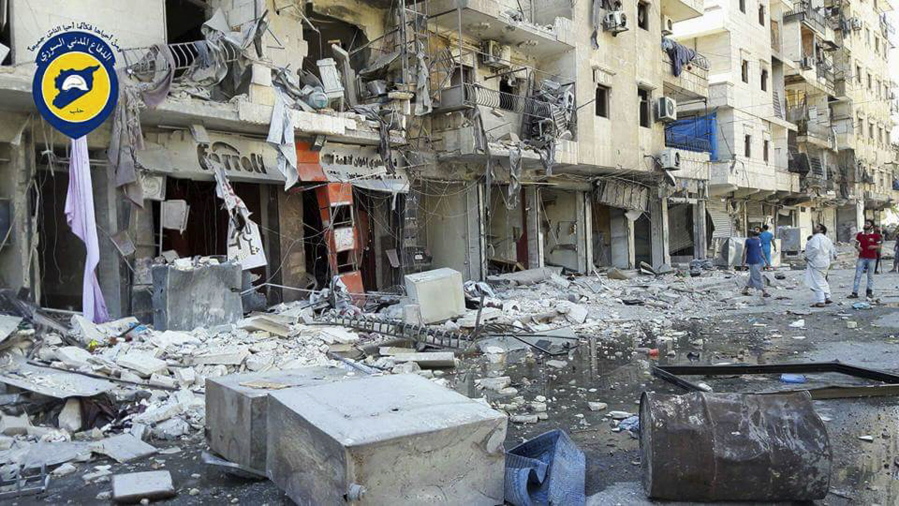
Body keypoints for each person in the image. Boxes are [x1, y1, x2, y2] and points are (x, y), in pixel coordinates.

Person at [805, 223, 836, 307]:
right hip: (825, 262)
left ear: (821, 230)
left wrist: (808, 257)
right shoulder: (827, 239)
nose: (815, 227)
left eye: (817, 227)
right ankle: (827, 296)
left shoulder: (816, 238)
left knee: (817, 281)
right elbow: (832, 251)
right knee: (822, 280)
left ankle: (821, 300)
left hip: (816, 262)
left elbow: (815, 248)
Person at [849, 219, 881, 299]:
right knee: (858, 275)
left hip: (872, 258)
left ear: (871, 226)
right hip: (862, 257)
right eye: (865, 223)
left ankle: (869, 292)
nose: (865, 225)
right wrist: (858, 247)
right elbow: (856, 244)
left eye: (867, 224)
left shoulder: (876, 235)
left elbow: (879, 246)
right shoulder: (860, 234)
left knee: (870, 275)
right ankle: (854, 292)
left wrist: (873, 246)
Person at [742, 229, 770, 297]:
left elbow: (745, 252)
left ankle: (745, 290)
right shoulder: (754, 241)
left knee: (753, 276)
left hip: (755, 261)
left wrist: (743, 261)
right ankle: (764, 291)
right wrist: (766, 260)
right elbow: (761, 252)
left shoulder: (751, 240)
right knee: (757, 276)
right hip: (755, 261)